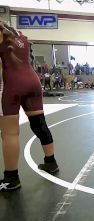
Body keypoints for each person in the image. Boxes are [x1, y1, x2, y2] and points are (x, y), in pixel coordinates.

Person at [0, 23, 59, 191]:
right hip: (32, 82)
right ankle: (51, 162)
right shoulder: (21, 37)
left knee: (9, 132)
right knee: (39, 124)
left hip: (11, 84)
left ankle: (11, 178)